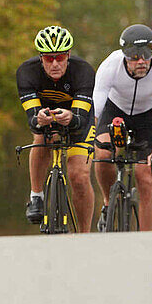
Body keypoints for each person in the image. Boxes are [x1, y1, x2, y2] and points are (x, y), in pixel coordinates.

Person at [92, 24, 152, 231]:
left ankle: (146, 238)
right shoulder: (110, 66)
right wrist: (87, 141)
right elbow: (94, 112)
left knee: (145, 176)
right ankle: (107, 202)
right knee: (102, 154)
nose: (141, 61)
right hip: (115, 110)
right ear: (124, 56)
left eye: (146, 56)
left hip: (148, 116)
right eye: (134, 57)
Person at [15, 25, 96, 233]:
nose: (55, 64)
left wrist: (70, 118)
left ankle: (85, 234)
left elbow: (80, 119)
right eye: (49, 58)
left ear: (68, 55)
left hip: (78, 122)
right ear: (40, 58)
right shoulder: (26, 72)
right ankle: (36, 195)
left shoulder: (83, 71)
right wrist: (39, 119)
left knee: (79, 176)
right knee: (40, 138)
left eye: (60, 58)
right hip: (47, 121)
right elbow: (32, 119)